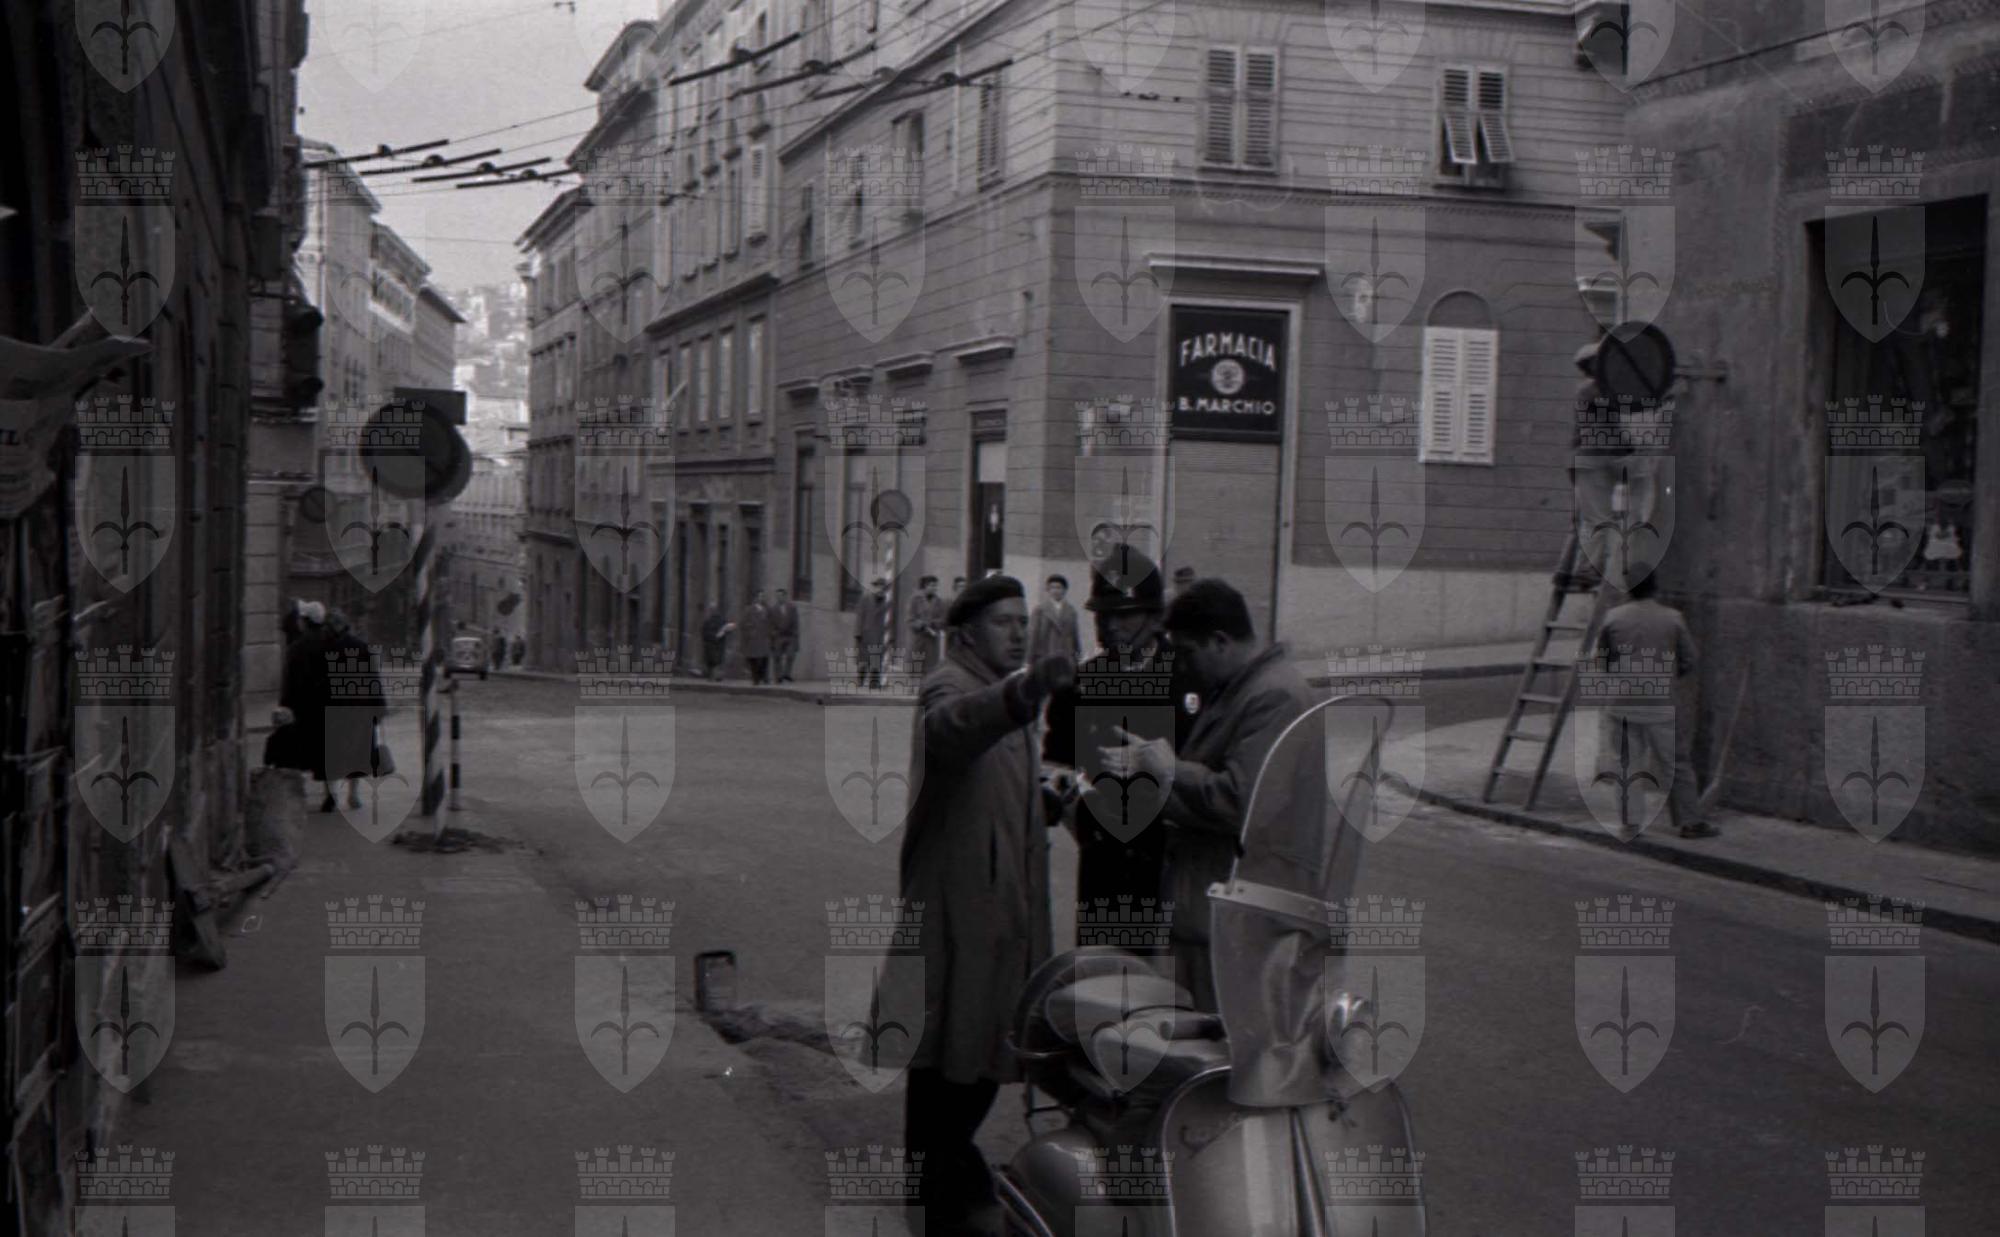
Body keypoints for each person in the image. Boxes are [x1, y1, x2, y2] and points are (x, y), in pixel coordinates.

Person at [896, 574, 1074, 1233]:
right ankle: (943, 1202)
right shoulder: (952, 685)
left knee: (969, 1061)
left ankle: (942, 1193)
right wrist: (1021, 694)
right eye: (1004, 622)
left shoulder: (1000, 690)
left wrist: (1044, 800)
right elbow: (951, 731)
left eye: (1023, 621)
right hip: (958, 917)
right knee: (951, 1066)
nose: (1019, 633)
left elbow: (992, 787)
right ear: (967, 634)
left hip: (997, 915)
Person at [1098, 578, 1318, 1012]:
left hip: (1241, 914)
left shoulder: (1273, 695)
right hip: (1216, 909)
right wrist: (1149, 778)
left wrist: (1169, 769)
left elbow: (1242, 802)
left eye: (1188, 652)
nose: (1183, 666)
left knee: (1220, 1036)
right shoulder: (1242, 687)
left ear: (1220, 641)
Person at [1041, 549, 1194, 908]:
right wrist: (1078, 809)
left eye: (1124, 615)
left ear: (1155, 618)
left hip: (1174, 863)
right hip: (1102, 860)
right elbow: (1056, 765)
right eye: (1103, 615)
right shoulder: (1082, 682)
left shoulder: (1188, 678)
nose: (1110, 625)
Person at [1594, 573, 1714, 839]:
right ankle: (1690, 822)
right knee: (1675, 763)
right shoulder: (1673, 618)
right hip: (1660, 702)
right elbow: (1689, 659)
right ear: (1655, 589)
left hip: (1622, 701)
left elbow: (1601, 661)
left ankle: (1631, 825)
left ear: (1629, 590)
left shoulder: (1613, 618)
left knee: (1627, 765)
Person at [322, 610, 385, 812]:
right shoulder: (359, 646)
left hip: (335, 708)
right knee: (355, 752)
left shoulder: (323, 647)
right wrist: (379, 708)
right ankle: (351, 794)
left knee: (333, 752)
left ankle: (334, 794)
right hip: (355, 708)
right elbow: (373, 679)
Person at [279, 601, 333, 808]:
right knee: (327, 751)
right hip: (328, 705)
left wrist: (284, 704)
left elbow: (289, 680)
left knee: (299, 751)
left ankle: (299, 795)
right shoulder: (333, 643)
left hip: (303, 707)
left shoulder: (297, 648)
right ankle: (330, 793)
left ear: (305, 621)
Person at [1028, 574, 1082, 667]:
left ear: (1064, 590)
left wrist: (1077, 653)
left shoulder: (1071, 611)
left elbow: (1075, 635)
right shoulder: (1040, 610)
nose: (1055, 591)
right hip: (1045, 654)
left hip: (1066, 655)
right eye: (1052, 588)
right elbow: (1033, 635)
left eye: (1059, 588)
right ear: (1048, 590)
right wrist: (1030, 658)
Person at [854, 575, 894, 687]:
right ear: (874, 587)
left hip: (879, 635)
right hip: (865, 635)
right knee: (863, 660)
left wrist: (890, 636)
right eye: (878, 587)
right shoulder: (865, 599)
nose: (880, 589)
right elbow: (860, 616)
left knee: (877, 660)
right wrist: (858, 633)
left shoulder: (887, 603)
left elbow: (891, 621)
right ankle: (860, 679)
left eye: (883, 588)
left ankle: (874, 682)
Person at [907, 575, 948, 679]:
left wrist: (934, 623)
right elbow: (910, 619)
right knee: (916, 664)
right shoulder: (915, 599)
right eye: (932, 585)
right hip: (918, 638)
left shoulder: (939, 601)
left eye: (936, 586)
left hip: (932, 640)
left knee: (930, 668)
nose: (935, 588)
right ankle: (914, 684)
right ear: (925, 586)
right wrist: (921, 624)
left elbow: (943, 619)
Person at [742, 590, 773, 685]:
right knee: (753, 659)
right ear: (755, 598)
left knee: (764, 658)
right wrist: (750, 631)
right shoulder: (749, 609)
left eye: (762, 596)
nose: (761, 598)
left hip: (763, 637)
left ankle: (763, 676)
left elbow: (770, 622)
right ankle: (755, 678)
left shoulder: (766, 609)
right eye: (759, 596)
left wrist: (769, 633)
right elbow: (743, 623)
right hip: (754, 638)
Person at [771, 588, 801, 683]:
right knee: (777, 656)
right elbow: (771, 623)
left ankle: (786, 674)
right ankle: (778, 677)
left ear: (785, 596)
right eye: (777, 596)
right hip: (778, 636)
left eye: (781, 596)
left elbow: (796, 622)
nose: (779, 598)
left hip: (790, 635)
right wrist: (773, 633)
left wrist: (796, 635)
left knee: (790, 655)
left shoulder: (792, 608)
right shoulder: (773, 609)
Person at [699, 604, 732, 680]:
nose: (711, 611)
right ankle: (715, 675)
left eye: (711, 610)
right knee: (716, 660)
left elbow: (704, 632)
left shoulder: (709, 621)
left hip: (713, 643)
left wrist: (711, 637)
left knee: (713, 660)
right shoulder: (718, 621)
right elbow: (728, 630)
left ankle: (714, 675)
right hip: (717, 643)